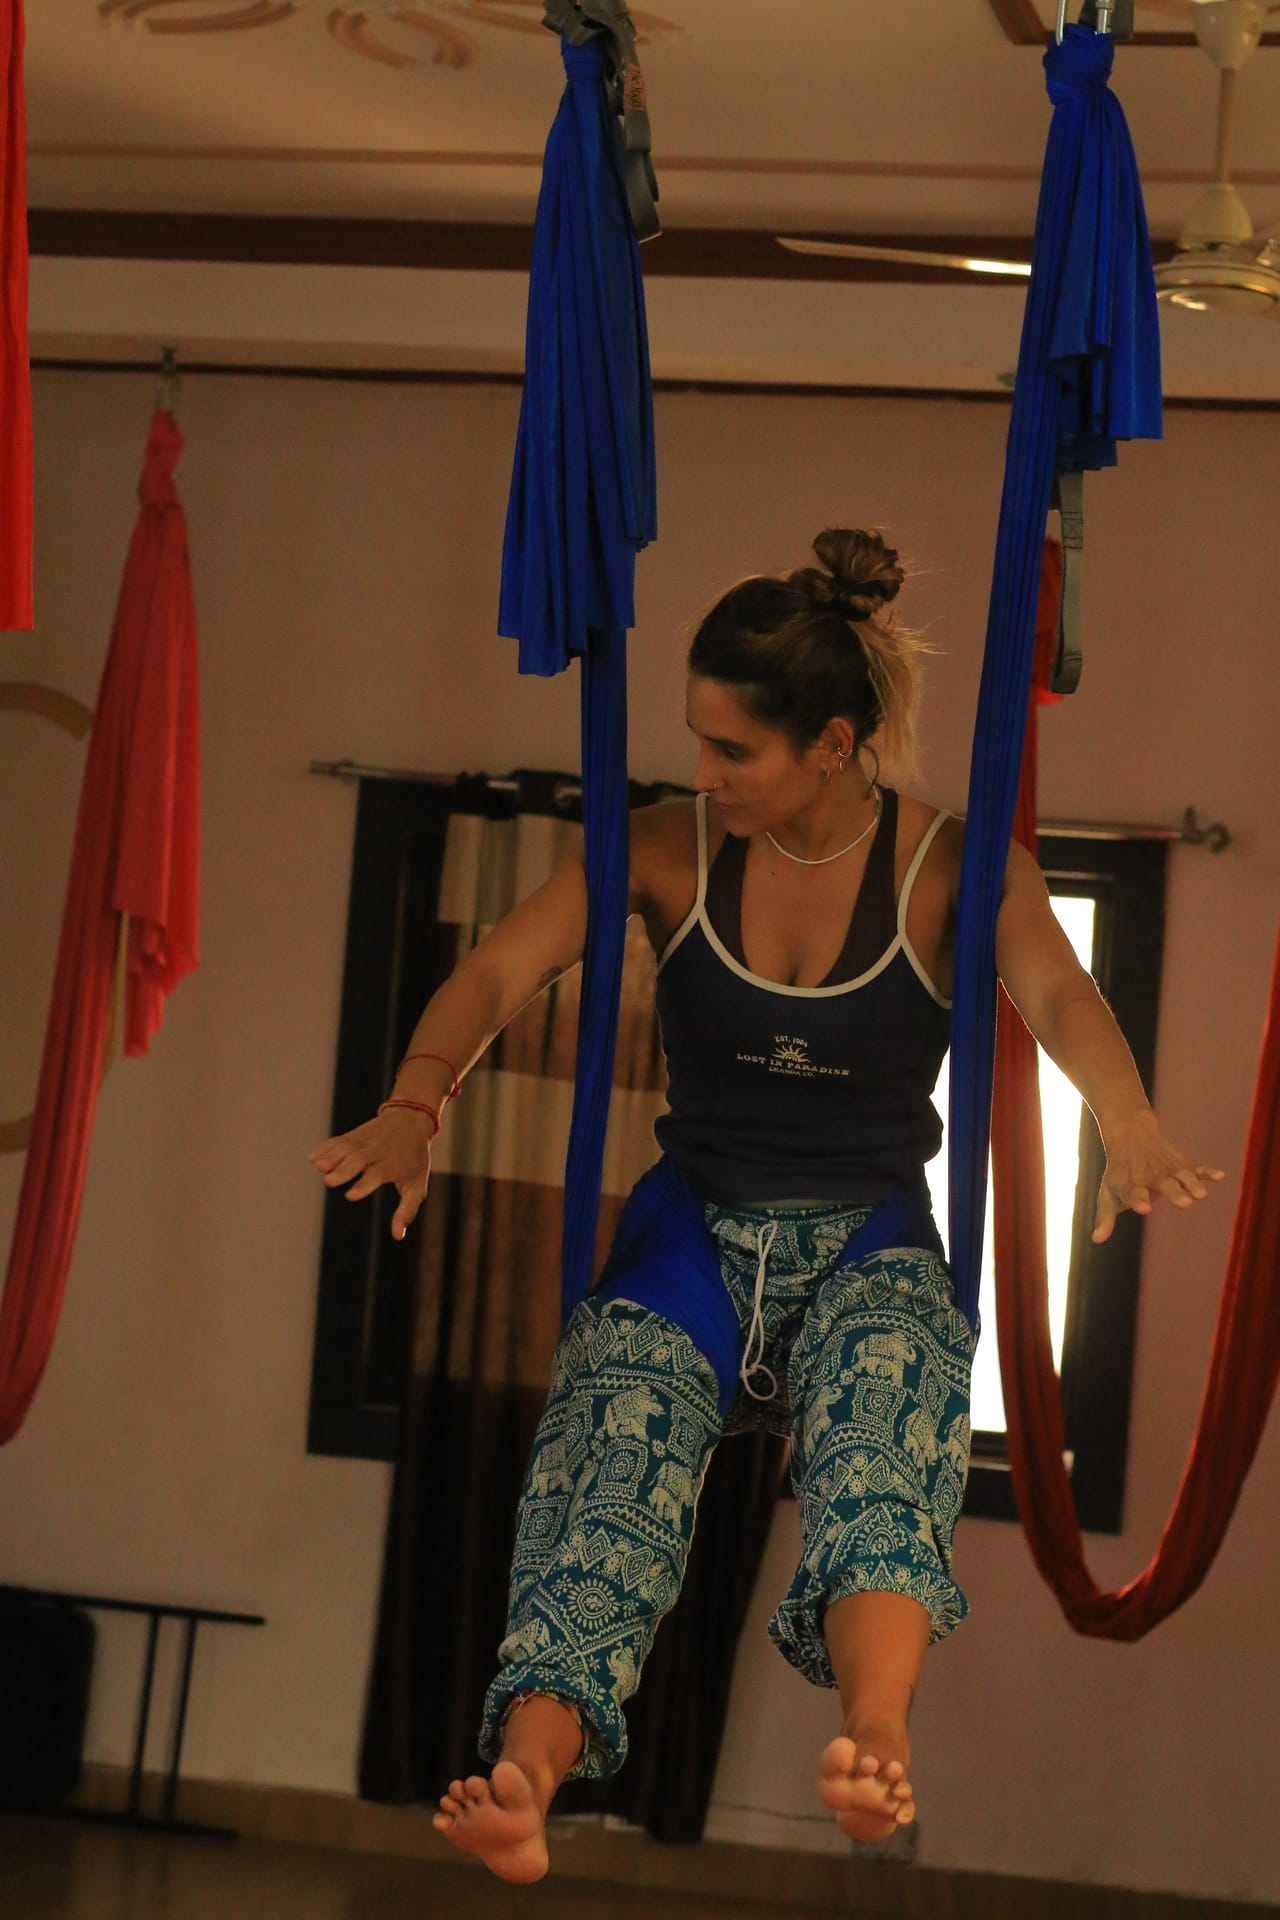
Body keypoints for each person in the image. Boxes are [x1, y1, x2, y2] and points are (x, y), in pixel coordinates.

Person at [309, 528, 1223, 1885]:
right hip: (694, 1226)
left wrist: (1130, 1123)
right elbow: (500, 972)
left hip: (864, 1231)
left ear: (835, 744)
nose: (708, 774)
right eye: (700, 742)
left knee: (882, 1440)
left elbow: (1063, 995)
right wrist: (415, 1097)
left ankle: (872, 1736)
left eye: (735, 750)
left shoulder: (952, 868)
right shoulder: (668, 851)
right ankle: (529, 1780)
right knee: (608, 1461)